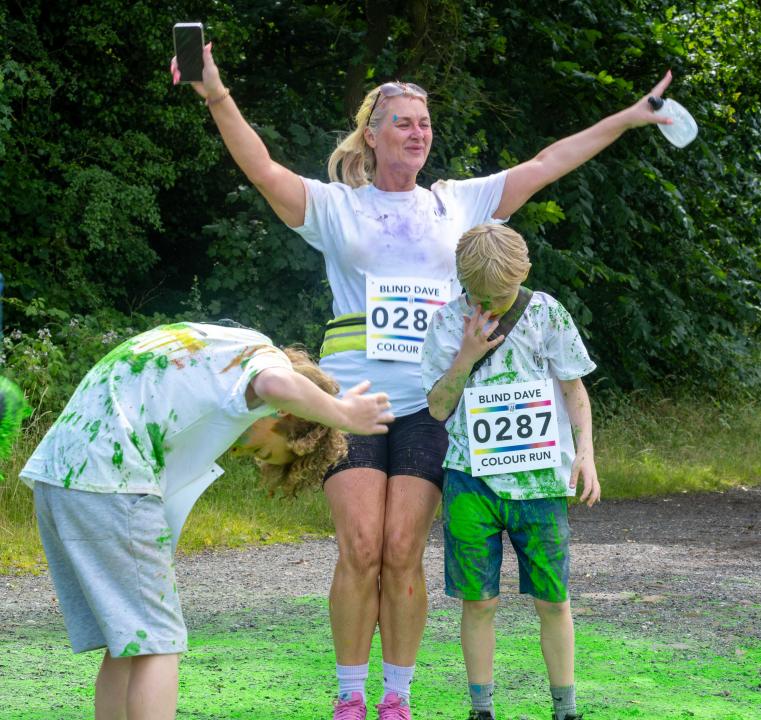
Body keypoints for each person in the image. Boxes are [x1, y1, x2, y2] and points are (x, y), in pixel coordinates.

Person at [173, 42, 670, 719]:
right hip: (348, 405)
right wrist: (217, 94)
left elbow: (549, 162)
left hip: (432, 406)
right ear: (371, 135)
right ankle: (350, 695)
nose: (417, 131)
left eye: (424, 123)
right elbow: (262, 169)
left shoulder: (457, 203)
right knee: (361, 547)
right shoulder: (335, 207)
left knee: (403, 549)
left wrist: (632, 115)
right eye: (402, 121)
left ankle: (396, 700)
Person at [18, 321, 393, 720]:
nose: (251, 453)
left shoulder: (219, 351)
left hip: (59, 474)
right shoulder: (261, 362)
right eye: (268, 453)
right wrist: (342, 414)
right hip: (110, 477)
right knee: (158, 642)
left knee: (128, 641)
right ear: (289, 415)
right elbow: (274, 387)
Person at [421, 223, 599, 720]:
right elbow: (435, 408)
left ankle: (566, 709)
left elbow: (574, 389)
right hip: (469, 482)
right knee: (477, 602)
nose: (492, 306)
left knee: (553, 599)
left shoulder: (546, 312)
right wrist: (466, 355)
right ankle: (481, 710)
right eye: (481, 297)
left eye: (502, 296)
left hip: (540, 484)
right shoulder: (445, 323)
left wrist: (585, 454)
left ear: (524, 275)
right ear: (461, 283)